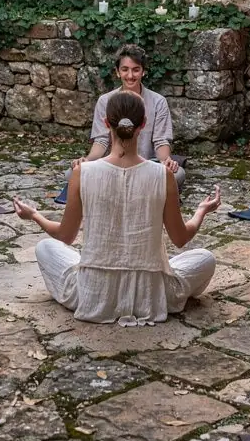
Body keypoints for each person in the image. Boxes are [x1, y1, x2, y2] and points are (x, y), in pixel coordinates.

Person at [14, 90, 219, 324]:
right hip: (151, 296)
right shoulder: (163, 175)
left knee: (45, 248)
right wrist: (201, 211)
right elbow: (181, 238)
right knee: (205, 258)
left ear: (105, 123)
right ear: (143, 124)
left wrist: (35, 215)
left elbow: (65, 235)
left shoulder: (82, 173)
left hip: (92, 293)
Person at [76, 43, 185, 190]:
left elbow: (161, 141)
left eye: (136, 70)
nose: (130, 76)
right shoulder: (105, 101)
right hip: (112, 167)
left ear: (143, 71)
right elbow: (101, 140)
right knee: (73, 173)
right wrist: (87, 160)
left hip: (146, 166)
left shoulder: (158, 102)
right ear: (117, 72)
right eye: (125, 70)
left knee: (177, 174)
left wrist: (166, 161)